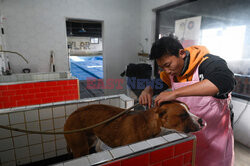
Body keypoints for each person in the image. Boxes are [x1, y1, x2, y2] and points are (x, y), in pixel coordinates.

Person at [139, 36, 235, 166]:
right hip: (188, 135)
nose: (167, 71)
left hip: (215, 139)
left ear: (181, 53)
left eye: (168, 65)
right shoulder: (172, 73)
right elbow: (157, 84)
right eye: (162, 68)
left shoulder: (208, 63)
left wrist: (175, 93)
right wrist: (147, 90)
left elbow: (224, 82)